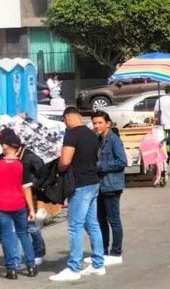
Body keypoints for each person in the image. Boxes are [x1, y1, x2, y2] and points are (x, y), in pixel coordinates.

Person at [49, 106, 104, 282]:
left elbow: (65, 161)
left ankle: (74, 267)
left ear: (68, 119)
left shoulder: (72, 134)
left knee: (75, 226)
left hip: (80, 184)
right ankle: (98, 263)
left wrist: (57, 169)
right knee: (92, 224)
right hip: (93, 181)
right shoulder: (91, 134)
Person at [90, 111, 127, 267]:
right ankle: (103, 251)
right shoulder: (98, 140)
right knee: (101, 220)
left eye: (100, 123)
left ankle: (116, 252)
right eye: (95, 123)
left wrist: (100, 166)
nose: (97, 126)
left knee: (114, 220)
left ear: (107, 124)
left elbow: (122, 161)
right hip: (100, 186)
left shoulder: (113, 140)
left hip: (112, 185)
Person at [0, 129, 37, 280]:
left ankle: (11, 269)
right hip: (19, 206)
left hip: (2, 207)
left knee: (7, 237)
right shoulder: (22, 165)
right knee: (24, 235)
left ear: (6, 146)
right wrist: (31, 209)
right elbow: (26, 189)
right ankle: (31, 266)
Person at [18, 143, 48, 266]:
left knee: (31, 226)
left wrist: (31, 185)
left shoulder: (29, 156)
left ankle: (39, 252)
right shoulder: (4, 157)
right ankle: (23, 254)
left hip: (30, 194)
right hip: (14, 195)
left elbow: (43, 173)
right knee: (18, 227)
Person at [154, 85, 170, 166]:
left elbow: (155, 111)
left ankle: (162, 159)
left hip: (161, 124)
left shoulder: (159, 100)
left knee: (162, 141)